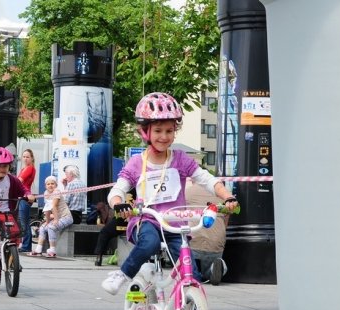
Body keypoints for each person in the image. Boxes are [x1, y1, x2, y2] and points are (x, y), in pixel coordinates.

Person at [101, 92, 238, 295]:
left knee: (190, 270)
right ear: (145, 132)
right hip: (148, 220)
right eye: (158, 131)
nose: (164, 137)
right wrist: (118, 203)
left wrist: (227, 196)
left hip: (176, 223)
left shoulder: (181, 160)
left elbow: (207, 179)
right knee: (150, 242)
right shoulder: (137, 162)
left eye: (169, 130)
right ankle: (122, 274)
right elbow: (117, 190)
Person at [185, 177, 229, 285]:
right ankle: (214, 268)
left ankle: (195, 274)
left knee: (192, 268)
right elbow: (226, 220)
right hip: (216, 243)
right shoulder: (224, 194)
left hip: (194, 240)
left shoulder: (188, 192)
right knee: (208, 270)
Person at [29, 176, 73, 258]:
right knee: (42, 227)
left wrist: (55, 220)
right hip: (57, 216)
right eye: (48, 184)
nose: (50, 185)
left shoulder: (57, 191)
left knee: (51, 227)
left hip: (66, 217)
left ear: (56, 185)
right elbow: (47, 208)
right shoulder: (46, 193)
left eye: (52, 183)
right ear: (45, 186)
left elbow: (54, 206)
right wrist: (47, 221)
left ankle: (52, 250)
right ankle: (39, 249)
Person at [17, 149, 37, 252]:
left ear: (32, 158)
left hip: (24, 197)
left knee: (24, 222)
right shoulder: (26, 168)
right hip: (24, 197)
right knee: (23, 222)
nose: (25, 158)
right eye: (24, 156)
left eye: (27, 157)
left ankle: (26, 246)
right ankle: (25, 245)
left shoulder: (29, 168)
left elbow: (19, 182)